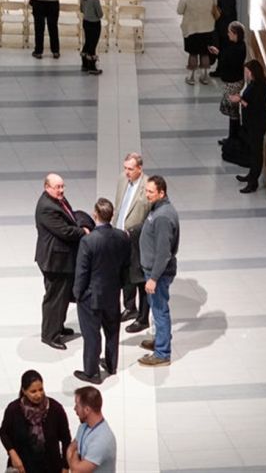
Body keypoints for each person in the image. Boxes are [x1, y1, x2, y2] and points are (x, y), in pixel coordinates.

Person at [72, 199, 130, 383]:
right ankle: (112, 365)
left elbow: (82, 271)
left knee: (92, 335)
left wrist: (77, 293)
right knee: (112, 331)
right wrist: (120, 285)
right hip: (113, 294)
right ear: (112, 215)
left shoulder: (88, 241)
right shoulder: (122, 237)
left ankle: (91, 372)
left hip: (91, 296)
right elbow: (126, 267)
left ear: (95, 215)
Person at [35, 173, 87, 348]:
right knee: (55, 298)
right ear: (47, 187)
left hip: (61, 259)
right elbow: (65, 231)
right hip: (54, 261)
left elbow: (71, 217)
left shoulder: (57, 201)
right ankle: (50, 335)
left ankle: (58, 326)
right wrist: (83, 232)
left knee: (62, 296)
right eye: (57, 187)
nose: (61, 190)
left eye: (62, 186)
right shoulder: (47, 207)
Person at [136, 174, 180, 366]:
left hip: (158, 273)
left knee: (160, 310)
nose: (147, 195)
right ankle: (160, 341)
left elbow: (163, 253)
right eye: (146, 190)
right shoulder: (159, 208)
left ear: (162, 192)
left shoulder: (163, 216)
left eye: (151, 192)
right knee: (156, 308)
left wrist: (153, 278)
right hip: (153, 270)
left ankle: (162, 353)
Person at [0, 369, 71, 473]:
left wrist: (65, 467)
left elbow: (66, 439)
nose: (39, 395)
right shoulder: (13, 409)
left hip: (50, 466)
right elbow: (4, 432)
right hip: (22, 466)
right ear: (24, 391)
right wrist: (12, 453)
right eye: (33, 391)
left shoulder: (55, 409)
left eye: (41, 389)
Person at [113, 152, 150, 331]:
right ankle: (130, 307)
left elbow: (151, 218)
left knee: (140, 279)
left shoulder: (148, 187)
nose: (127, 172)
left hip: (138, 241)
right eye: (125, 168)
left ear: (140, 169)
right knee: (125, 275)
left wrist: (134, 232)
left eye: (130, 169)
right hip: (120, 238)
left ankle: (143, 318)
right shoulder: (122, 179)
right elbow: (118, 205)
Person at [235, 57, 266, 192]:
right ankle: (251, 175)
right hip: (251, 123)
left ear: (252, 72)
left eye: (247, 71)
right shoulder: (253, 83)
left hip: (257, 123)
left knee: (257, 153)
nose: (246, 74)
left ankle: (253, 182)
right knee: (253, 151)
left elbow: (255, 106)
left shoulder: (261, 86)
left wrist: (240, 101)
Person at [176, 0, 218, 84]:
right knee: (205, 53)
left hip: (192, 30)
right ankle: (204, 77)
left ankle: (191, 78)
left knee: (193, 53)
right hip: (208, 29)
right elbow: (215, 4)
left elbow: (179, 11)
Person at [67, 388, 116, 473]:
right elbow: (70, 448)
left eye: (77, 406)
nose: (74, 409)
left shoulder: (101, 440)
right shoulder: (83, 427)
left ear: (87, 410)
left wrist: (73, 455)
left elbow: (76, 471)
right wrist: (75, 461)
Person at [79, 0, 103, 76]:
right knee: (93, 45)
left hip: (86, 22)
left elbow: (81, 10)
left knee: (87, 43)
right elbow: (100, 14)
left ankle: (85, 64)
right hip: (94, 24)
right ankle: (92, 67)